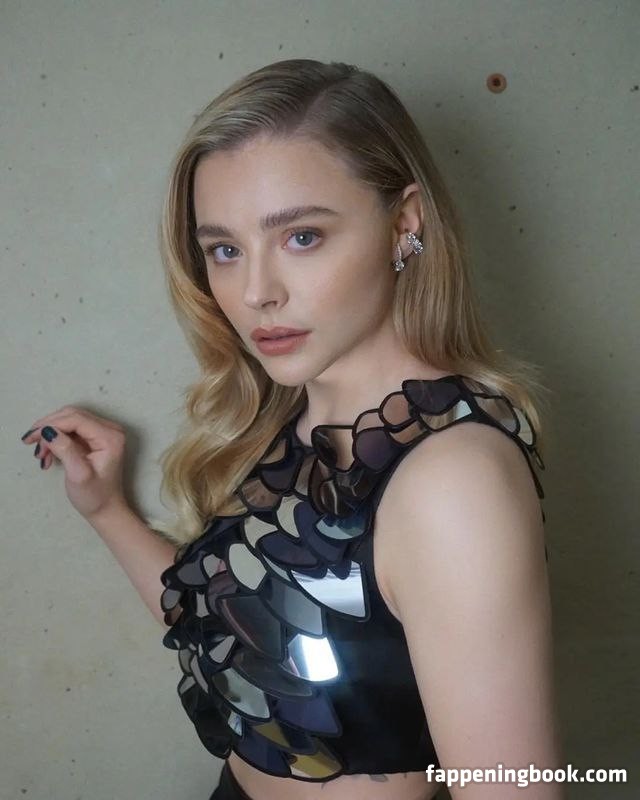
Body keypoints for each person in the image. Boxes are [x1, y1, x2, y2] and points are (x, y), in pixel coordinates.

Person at [20, 59, 564, 800]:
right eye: (225, 250)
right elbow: (242, 631)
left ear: (404, 224)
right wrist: (108, 510)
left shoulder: (452, 482)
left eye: (302, 236)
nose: (256, 293)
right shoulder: (290, 416)